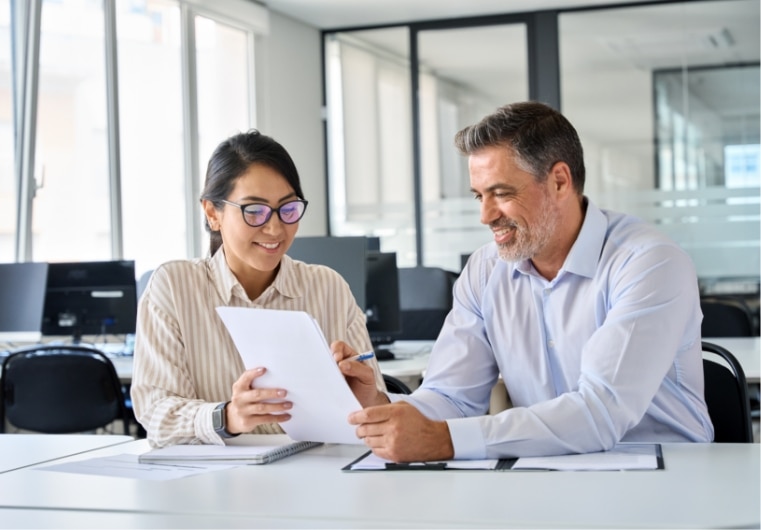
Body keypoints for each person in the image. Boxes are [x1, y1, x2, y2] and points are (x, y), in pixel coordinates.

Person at [336, 101, 713, 462]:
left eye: (501, 193)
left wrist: (445, 440)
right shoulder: (485, 271)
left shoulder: (649, 263)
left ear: (560, 182)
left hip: (665, 473)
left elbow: (601, 412)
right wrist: (381, 414)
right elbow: (451, 395)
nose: (485, 216)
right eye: (478, 196)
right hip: (547, 470)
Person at [131, 130, 385, 448]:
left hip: (318, 476)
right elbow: (156, 414)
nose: (275, 227)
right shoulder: (174, 286)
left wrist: (369, 398)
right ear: (213, 213)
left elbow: (376, 412)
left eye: (288, 209)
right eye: (254, 211)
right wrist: (228, 417)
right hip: (216, 485)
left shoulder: (328, 287)